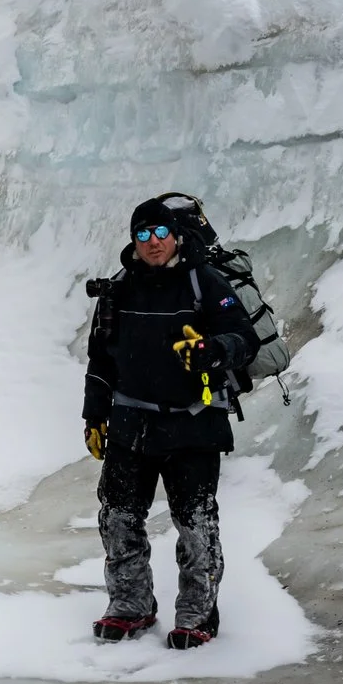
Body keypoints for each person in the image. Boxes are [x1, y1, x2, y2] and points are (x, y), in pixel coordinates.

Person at [82, 197, 260, 648]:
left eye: (160, 232)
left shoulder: (204, 281)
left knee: (195, 524)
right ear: (133, 241)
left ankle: (197, 614)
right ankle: (131, 606)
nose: (153, 242)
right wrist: (94, 415)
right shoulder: (118, 289)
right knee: (118, 518)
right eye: (142, 235)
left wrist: (211, 349)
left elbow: (245, 337)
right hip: (130, 423)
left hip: (193, 426)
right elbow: (101, 359)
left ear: (176, 236)